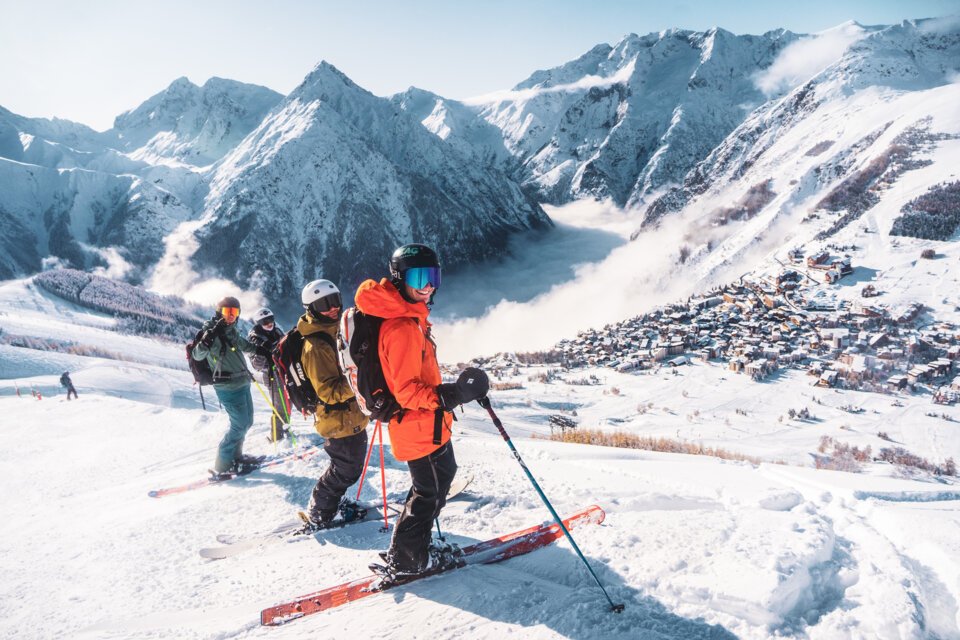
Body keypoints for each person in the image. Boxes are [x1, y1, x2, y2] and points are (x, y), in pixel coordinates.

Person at [355, 243, 487, 578]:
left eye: (434, 276)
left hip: (429, 424)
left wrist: (448, 397)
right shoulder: (400, 327)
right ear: (400, 279)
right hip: (415, 425)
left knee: (440, 480)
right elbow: (407, 391)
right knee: (427, 493)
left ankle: (415, 548)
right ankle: (407, 560)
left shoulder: (411, 316)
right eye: (419, 277)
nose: (428, 285)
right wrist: (451, 395)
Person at [297, 279, 370, 529]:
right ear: (311, 308)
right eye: (324, 304)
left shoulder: (338, 330)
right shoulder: (315, 346)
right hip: (338, 421)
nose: (333, 308)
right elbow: (327, 391)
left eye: (336, 300)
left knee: (349, 466)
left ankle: (332, 503)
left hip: (352, 415)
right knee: (345, 470)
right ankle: (320, 512)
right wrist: (360, 381)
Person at [191, 295, 265, 479]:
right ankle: (222, 465)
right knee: (239, 424)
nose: (231, 316)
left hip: (242, 382)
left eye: (234, 312)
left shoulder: (231, 331)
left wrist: (262, 350)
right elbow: (198, 355)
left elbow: (244, 345)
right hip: (227, 387)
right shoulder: (210, 333)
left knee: (246, 422)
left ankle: (236, 457)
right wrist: (207, 339)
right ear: (219, 312)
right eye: (227, 312)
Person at [247, 307, 290, 443]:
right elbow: (256, 365)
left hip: (283, 371)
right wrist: (263, 352)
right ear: (259, 323)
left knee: (288, 402)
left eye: (270, 319)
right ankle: (276, 437)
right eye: (265, 322)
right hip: (271, 374)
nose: (269, 323)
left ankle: (285, 428)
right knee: (279, 406)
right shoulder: (254, 339)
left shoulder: (277, 331)